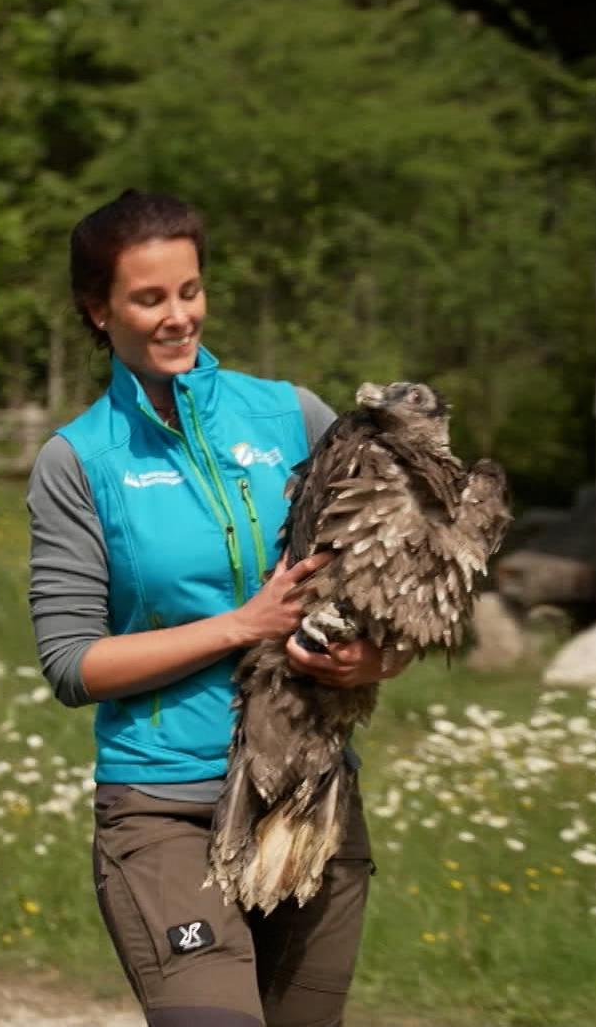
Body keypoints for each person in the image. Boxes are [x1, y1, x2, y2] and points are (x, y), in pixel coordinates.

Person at [27, 190, 403, 1027]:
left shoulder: (294, 416)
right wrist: (242, 625)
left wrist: (372, 661)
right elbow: (72, 664)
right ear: (99, 311)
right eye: (149, 298)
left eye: (189, 291)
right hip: (165, 811)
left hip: (306, 794)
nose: (177, 316)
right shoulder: (79, 460)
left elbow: (384, 591)